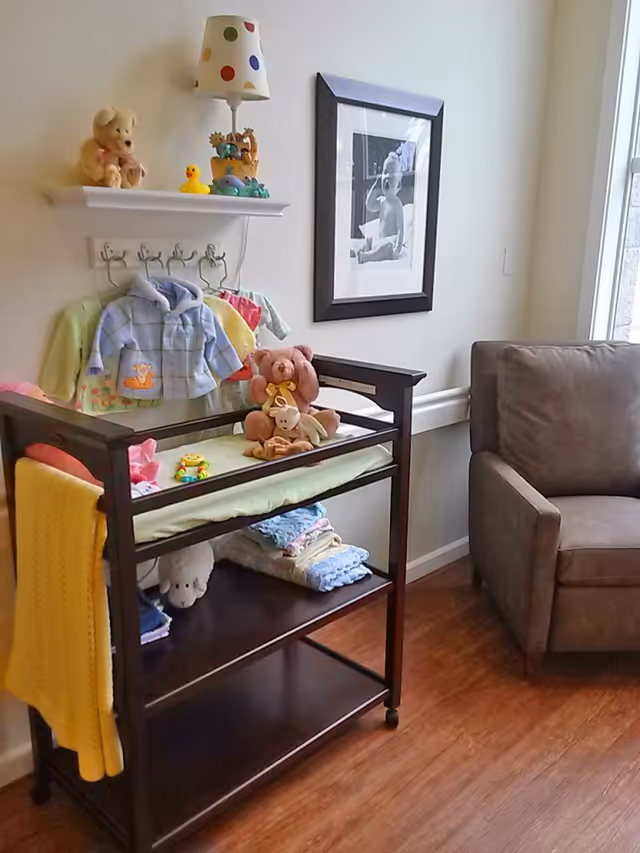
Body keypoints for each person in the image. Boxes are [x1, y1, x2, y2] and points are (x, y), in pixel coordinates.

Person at [357, 151, 405, 263]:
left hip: (390, 243)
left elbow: (400, 229)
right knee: (368, 240)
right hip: (380, 240)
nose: (387, 176)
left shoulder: (397, 204)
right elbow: (369, 205)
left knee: (386, 247)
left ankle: (367, 256)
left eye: (392, 174)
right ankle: (360, 251)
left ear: (398, 185)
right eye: (385, 172)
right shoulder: (382, 201)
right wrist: (375, 184)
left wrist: (397, 249)